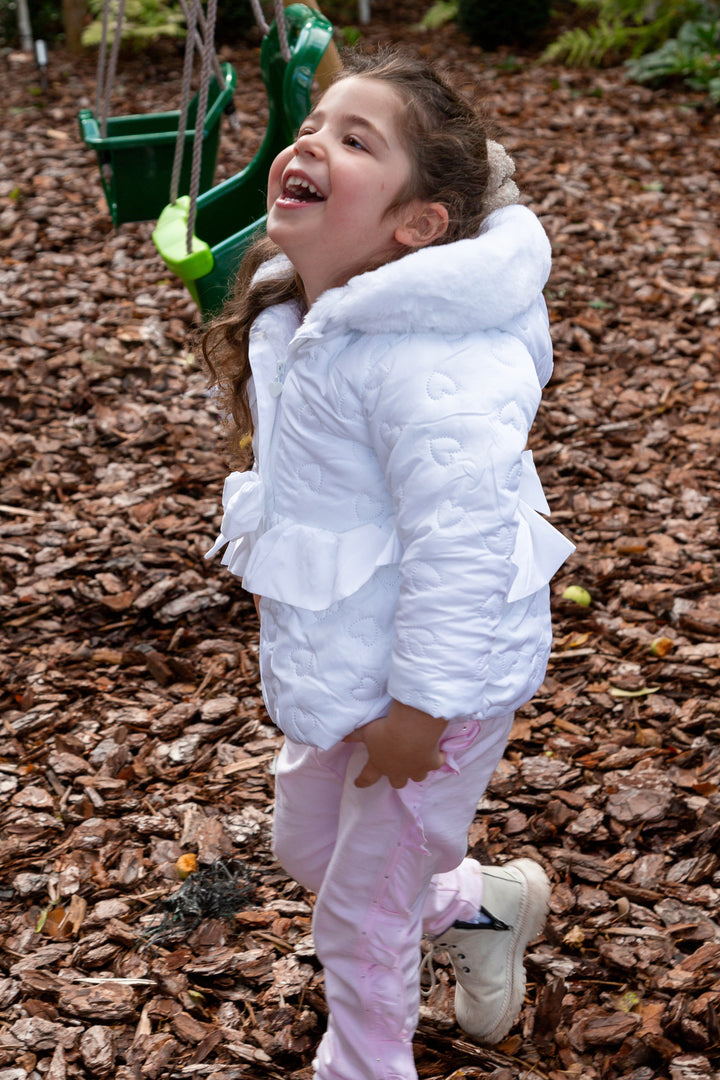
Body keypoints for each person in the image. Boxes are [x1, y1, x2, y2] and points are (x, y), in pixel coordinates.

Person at [203, 46, 575, 1080]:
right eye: (315, 124)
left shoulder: (433, 363)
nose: (312, 141)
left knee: (361, 919)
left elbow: (465, 546)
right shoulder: (301, 307)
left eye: (355, 139)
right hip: (353, 668)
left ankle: (362, 1065)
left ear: (418, 224)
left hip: (435, 688)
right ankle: (482, 907)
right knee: (308, 853)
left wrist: (423, 706)